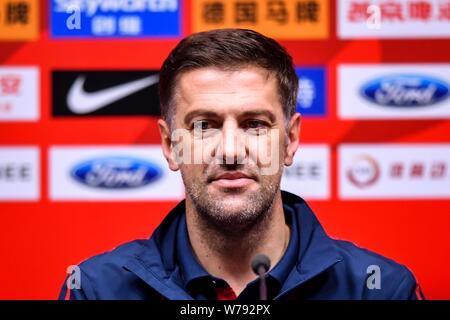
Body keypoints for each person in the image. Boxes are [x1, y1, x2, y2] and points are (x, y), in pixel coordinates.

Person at [59, 28, 424, 300]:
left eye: (255, 124)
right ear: (170, 145)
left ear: (290, 140)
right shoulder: (97, 290)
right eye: (204, 125)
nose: (231, 150)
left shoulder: (379, 290)